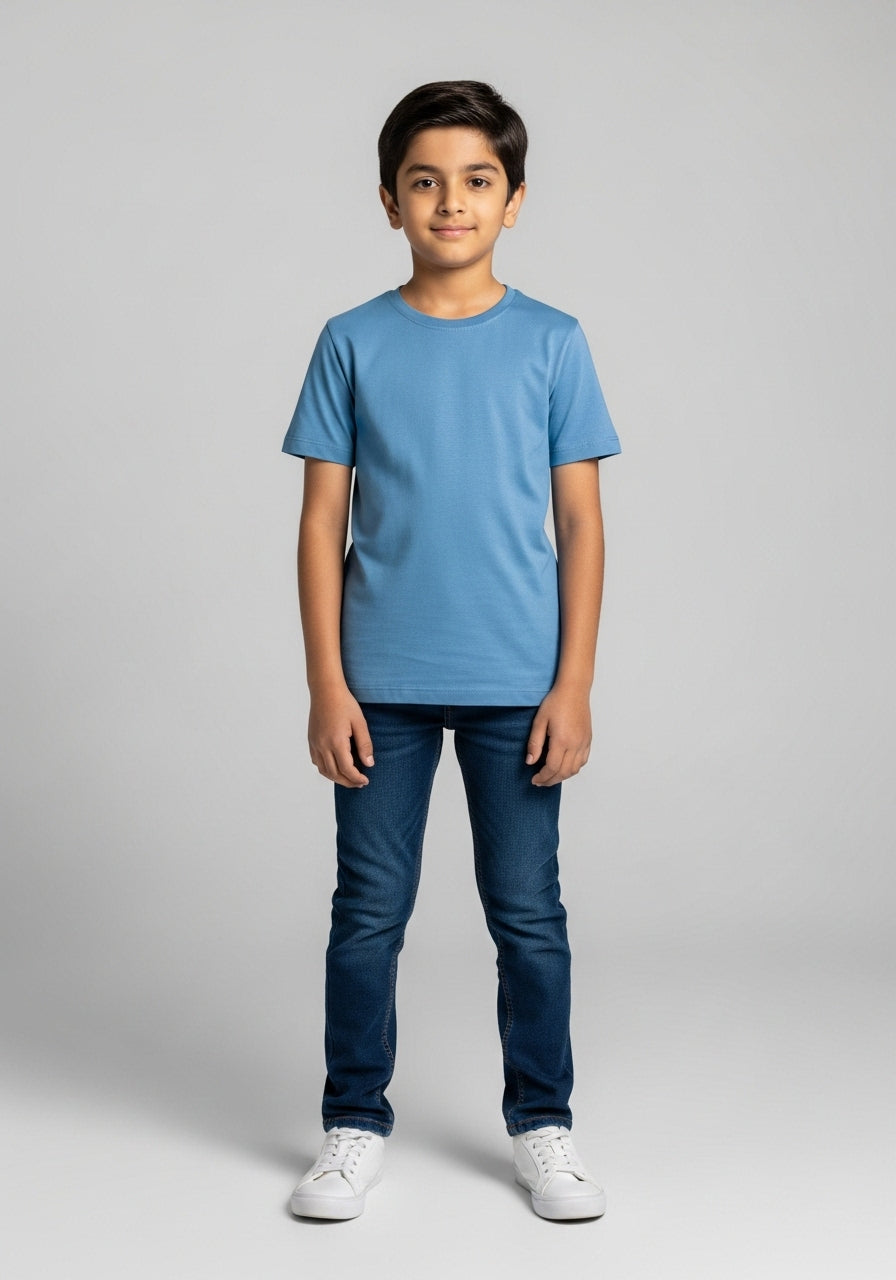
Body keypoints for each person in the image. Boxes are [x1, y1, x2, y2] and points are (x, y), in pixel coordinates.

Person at [281, 80, 621, 1222]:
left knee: (528, 915)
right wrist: (326, 683)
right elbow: (320, 525)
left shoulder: (553, 342)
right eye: (424, 181)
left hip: (517, 682)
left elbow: (580, 524)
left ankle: (543, 1123)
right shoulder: (350, 341)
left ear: (513, 200)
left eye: (477, 180)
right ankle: (351, 1122)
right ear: (389, 200)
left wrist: (572, 683)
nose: (450, 201)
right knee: (368, 912)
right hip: (377, 682)